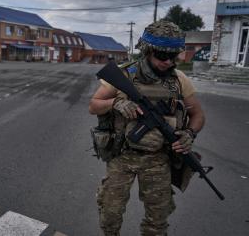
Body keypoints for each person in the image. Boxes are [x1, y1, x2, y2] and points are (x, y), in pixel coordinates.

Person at [88, 20, 205, 236]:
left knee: (157, 220)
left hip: (158, 160)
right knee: (110, 214)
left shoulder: (179, 80)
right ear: (148, 51)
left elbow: (198, 114)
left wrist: (190, 133)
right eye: (162, 56)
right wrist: (115, 103)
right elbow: (93, 105)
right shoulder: (124, 75)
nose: (168, 62)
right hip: (122, 156)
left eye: (173, 57)